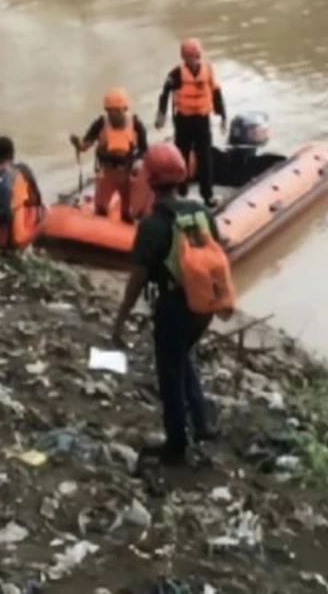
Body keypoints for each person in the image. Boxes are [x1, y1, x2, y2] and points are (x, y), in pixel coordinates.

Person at [112, 143, 234, 466]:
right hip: (202, 305)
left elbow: (136, 281)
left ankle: (176, 444)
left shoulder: (151, 226)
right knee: (185, 357)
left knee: (169, 372)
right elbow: (217, 253)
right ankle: (203, 423)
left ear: (150, 181)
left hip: (173, 307)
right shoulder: (203, 213)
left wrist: (119, 322)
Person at [154, 39, 227, 208]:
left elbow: (216, 92)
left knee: (205, 157)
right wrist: (161, 115)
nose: (192, 60)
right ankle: (181, 192)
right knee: (182, 156)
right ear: (183, 57)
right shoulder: (176, 74)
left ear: (199, 56)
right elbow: (164, 93)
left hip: (202, 120)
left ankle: (207, 195)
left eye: (195, 56)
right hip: (183, 120)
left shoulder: (208, 70)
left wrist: (223, 115)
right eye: (188, 57)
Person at [69, 88, 148, 223]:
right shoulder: (100, 123)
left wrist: (138, 164)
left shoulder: (136, 125)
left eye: (117, 110)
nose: (114, 114)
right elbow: (86, 145)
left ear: (124, 109)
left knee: (127, 213)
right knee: (100, 209)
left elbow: (144, 150)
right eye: (110, 111)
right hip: (107, 173)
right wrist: (78, 144)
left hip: (127, 174)